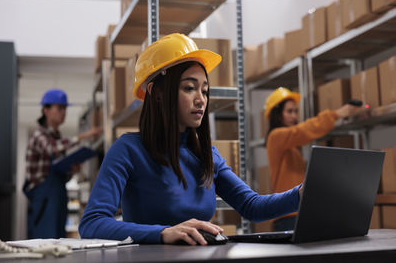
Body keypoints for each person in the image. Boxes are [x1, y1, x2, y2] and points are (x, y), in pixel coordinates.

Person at [79, 33, 302, 245]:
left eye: (204, 91)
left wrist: (301, 193)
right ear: (156, 93)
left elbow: (252, 206)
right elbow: (92, 223)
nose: (200, 100)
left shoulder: (206, 155)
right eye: (189, 88)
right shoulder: (128, 150)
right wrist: (163, 232)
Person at [264, 87, 358, 231]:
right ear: (277, 114)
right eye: (289, 111)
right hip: (287, 216)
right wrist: (336, 114)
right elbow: (302, 131)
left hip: (298, 213)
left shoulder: (291, 148)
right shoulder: (276, 136)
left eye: (296, 111)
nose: (294, 116)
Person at [24, 88, 101, 239]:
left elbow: (57, 171)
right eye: (59, 108)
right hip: (44, 198)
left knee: (57, 239)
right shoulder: (38, 133)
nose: (63, 112)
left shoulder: (57, 137)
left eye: (65, 108)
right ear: (45, 110)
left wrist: (71, 170)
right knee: (44, 241)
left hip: (58, 194)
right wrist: (83, 136)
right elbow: (52, 149)